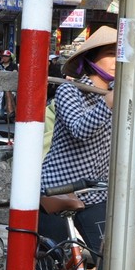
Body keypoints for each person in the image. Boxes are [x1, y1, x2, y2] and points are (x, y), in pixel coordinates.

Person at [38, 25, 117, 250]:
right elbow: (79, 130)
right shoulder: (69, 91)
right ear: (91, 59)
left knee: (108, 259)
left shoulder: (119, 97)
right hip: (59, 190)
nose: (116, 61)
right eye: (110, 54)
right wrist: (108, 103)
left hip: (97, 193)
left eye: (118, 55)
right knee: (60, 259)